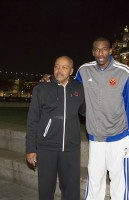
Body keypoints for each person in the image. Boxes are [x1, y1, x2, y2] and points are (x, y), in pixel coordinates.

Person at [41, 37, 129, 200]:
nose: (101, 53)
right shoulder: (84, 71)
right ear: (92, 52)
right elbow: (69, 84)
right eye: (97, 49)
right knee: (94, 183)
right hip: (95, 139)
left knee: (119, 185)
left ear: (110, 50)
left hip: (119, 137)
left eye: (104, 49)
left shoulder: (124, 72)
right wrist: (51, 78)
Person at [26, 56, 86, 200]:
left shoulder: (79, 89)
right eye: (56, 66)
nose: (59, 70)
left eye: (64, 67)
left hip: (71, 148)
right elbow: (32, 120)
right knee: (46, 189)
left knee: (71, 189)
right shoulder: (41, 88)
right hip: (46, 147)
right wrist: (30, 149)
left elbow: (88, 112)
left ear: (71, 70)